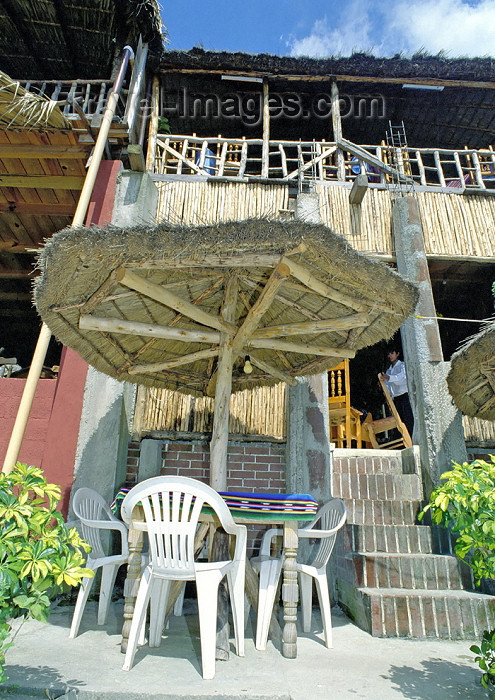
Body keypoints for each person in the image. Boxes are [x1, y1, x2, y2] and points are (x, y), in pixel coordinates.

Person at [380, 347, 414, 438]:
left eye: (392, 353)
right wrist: (383, 385)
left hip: (404, 397)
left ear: (397, 354)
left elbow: (401, 379)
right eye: (389, 354)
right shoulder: (389, 370)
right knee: (399, 422)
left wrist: (389, 378)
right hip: (396, 399)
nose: (390, 355)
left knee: (408, 420)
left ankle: (412, 440)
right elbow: (388, 386)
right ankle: (404, 442)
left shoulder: (402, 366)